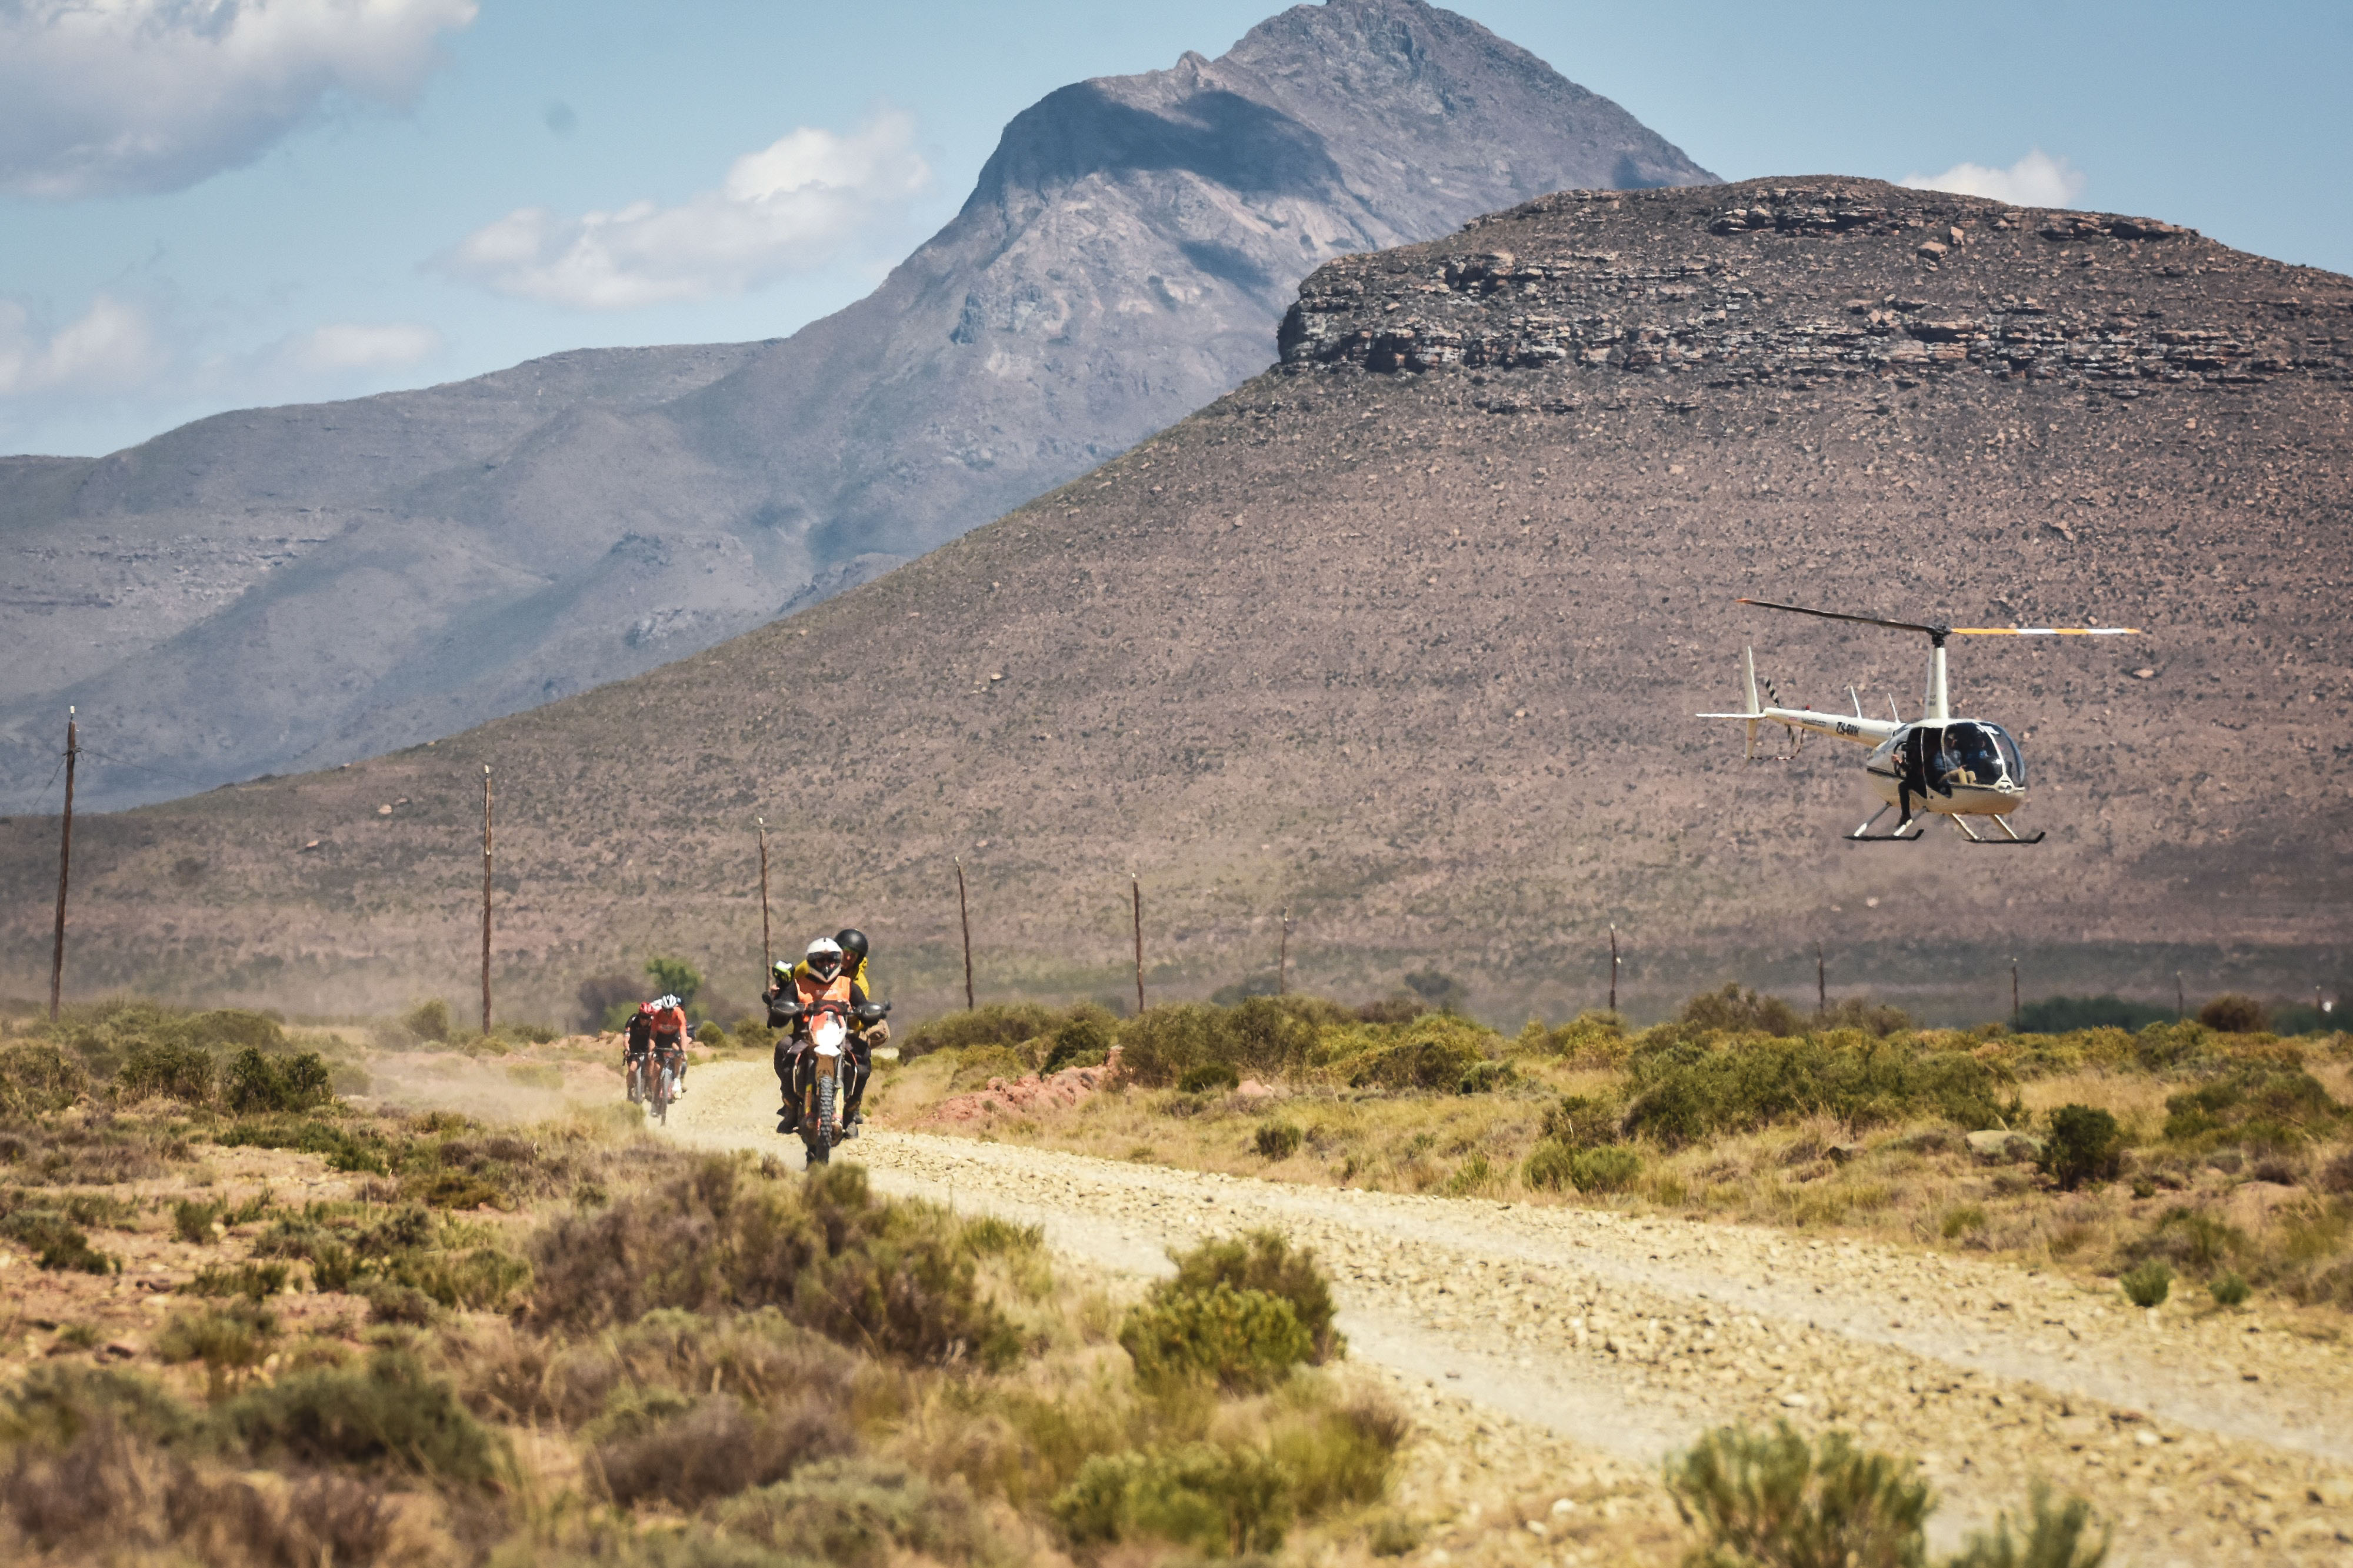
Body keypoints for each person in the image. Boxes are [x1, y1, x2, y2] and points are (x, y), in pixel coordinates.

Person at [770, 939, 853, 1133]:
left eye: (831, 960)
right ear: (811, 962)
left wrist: (869, 1010)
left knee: (862, 1056)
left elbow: (863, 1004)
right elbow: (781, 1012)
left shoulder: (847, 984)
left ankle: (851, 1112)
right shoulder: (798, 984)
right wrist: (780, 1005)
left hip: (839, 1037)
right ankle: (791, 1106)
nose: (826, 965)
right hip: (804, 1036)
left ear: (838, 961)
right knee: (784, 1048)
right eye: (820, 960)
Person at [649, 992, 691, 1096]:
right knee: (657, 1069)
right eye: (665, 1010)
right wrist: (652, 1051)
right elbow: (653, 1036)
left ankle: (676, 1079)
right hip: (661, 1037)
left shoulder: (679, 1014)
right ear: (662, 1008)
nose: (668, 1013)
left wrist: (683, 1051)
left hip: (674, 1036)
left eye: (670, 1010)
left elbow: (683, 1034)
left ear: (674, 1008)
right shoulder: (658, 1015)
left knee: (678, 1054)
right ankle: (654, 1096)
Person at [622, 1000, 657, 1102]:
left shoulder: (654, 1023)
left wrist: (654, 1050)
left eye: (647, 1017)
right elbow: (626, 1038)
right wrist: (627, 1049)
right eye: (642, 1016)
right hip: (634, 1046)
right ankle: (630, 1089)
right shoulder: (632, 1021)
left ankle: (648, 1087)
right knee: (632, 1069)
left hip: (647, 1046)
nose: (644, 1020)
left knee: (651, 1062)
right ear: (639, 1014)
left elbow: (655, 1038)